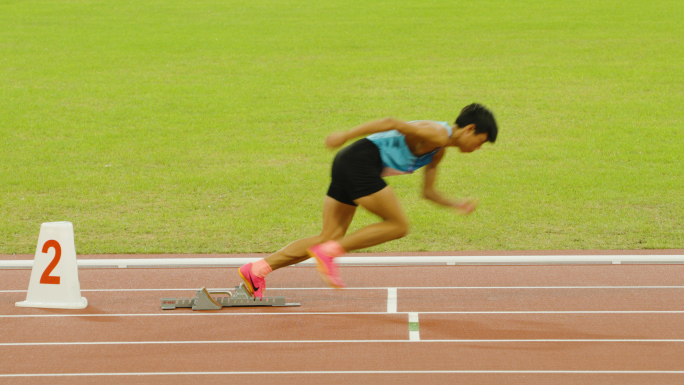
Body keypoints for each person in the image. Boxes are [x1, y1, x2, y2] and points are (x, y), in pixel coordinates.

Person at [239, 103, 498, 298]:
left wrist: (456, 204)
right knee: (398, 226)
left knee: (328, 235)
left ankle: (258, 269)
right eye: (480, 141)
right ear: (470, 128)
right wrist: (345, 133)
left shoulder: (438, 151)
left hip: (349, 161)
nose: (478, 147)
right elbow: (392, 121)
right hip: (361, 160)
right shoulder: (438, 133)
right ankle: (329, 253)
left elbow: (428, 192)